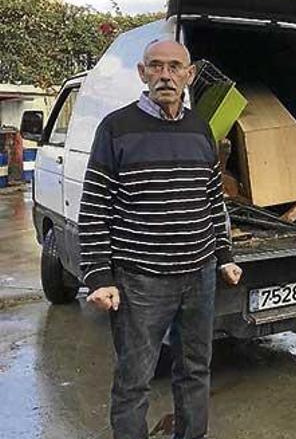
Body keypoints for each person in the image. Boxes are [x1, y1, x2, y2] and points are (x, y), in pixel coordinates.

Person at [79, 39, 243, 439]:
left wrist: (223, 255)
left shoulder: (200, 128)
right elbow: (94, 206)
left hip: (198, 276)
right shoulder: (117, 127)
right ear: (142, 73)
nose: (165, 75)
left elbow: (211, 199)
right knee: (135, 377)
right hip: (141, 280)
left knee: (195, 370)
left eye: (174, 67)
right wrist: (99, 276)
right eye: (156, 66)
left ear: (189, 75)